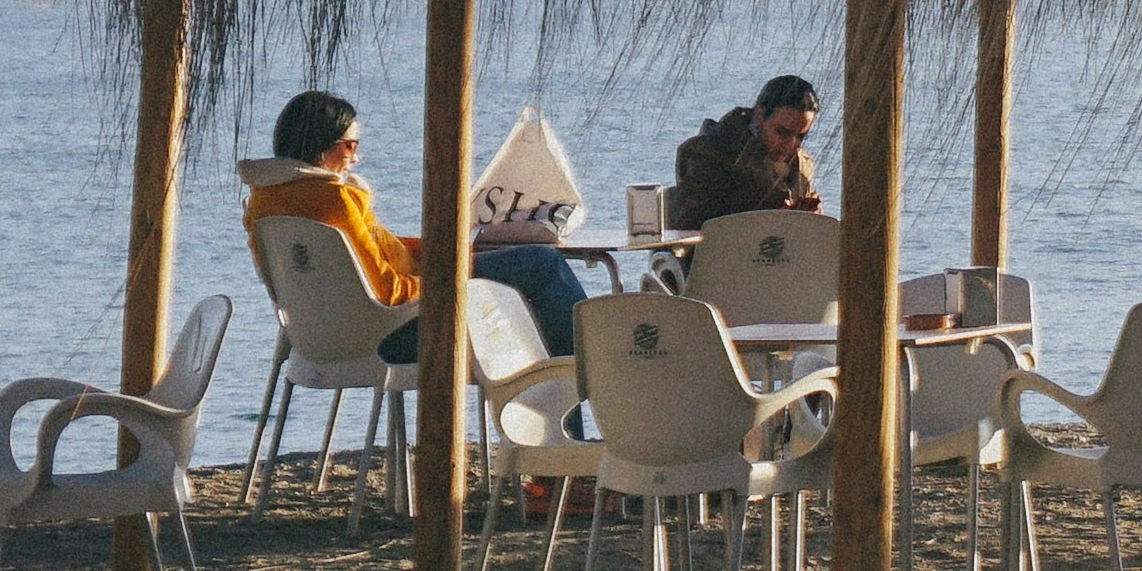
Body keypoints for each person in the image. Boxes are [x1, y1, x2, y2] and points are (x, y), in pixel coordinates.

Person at [241, 89, 592, 365]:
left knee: (526, 271)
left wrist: (453, 252)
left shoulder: (263, 201)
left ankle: (568, 409)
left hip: (316, 338)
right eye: (350, 145)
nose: (356, 157)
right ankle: (590, 373)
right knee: (542, 266)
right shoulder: (334, 199)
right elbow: (387, 291)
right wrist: (452, 280)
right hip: (391, 333)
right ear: (320, 147)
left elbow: (369, 258)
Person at [678, 77, 823, 223]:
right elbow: (693, 226)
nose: (791, 144)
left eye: (801, 136)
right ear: (759, 115)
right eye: (782, 132)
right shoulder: (712, 155)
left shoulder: (802, 166)